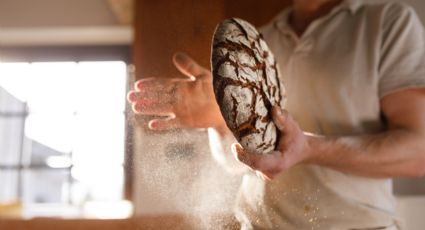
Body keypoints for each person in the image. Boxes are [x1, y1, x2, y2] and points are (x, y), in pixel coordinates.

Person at [127, 0, 425, 229]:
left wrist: (310, 149)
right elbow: (241, 164)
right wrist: (219, 119)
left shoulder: (387, 22)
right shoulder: (258, 41)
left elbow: (418, 154)